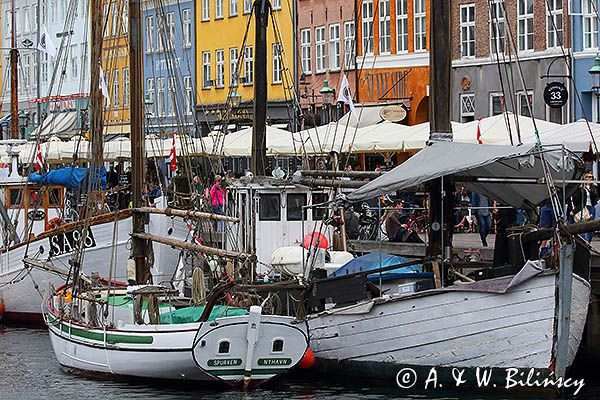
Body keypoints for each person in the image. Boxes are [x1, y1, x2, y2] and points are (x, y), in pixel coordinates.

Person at [570, 171, 599, 242]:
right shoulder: (580, 187)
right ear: (584, 178)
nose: (590, 178)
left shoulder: (594, 187)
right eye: (588, 177)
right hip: (582, 207)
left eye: (591, 177)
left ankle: (588, 241)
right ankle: (583, 241)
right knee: (581, 225)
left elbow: (596, 196)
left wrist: (590, 188)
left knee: (590, 225)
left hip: (590, 206)